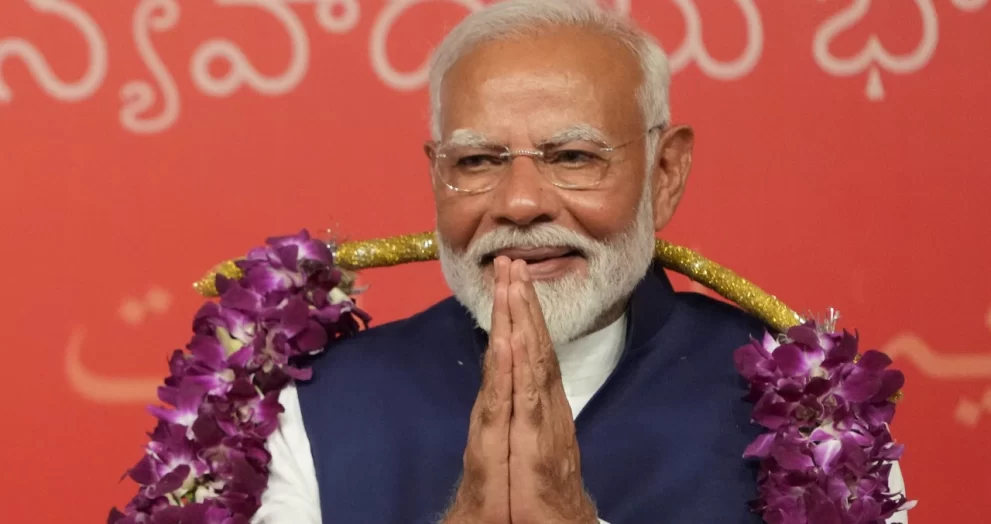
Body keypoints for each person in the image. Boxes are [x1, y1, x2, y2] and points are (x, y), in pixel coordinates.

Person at [252, 1, 907, 523]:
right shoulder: (321, 402)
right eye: (476, 161)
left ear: (664, 173)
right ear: (435, 177)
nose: (519, 204)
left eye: (572, 157)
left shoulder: (812, 412)